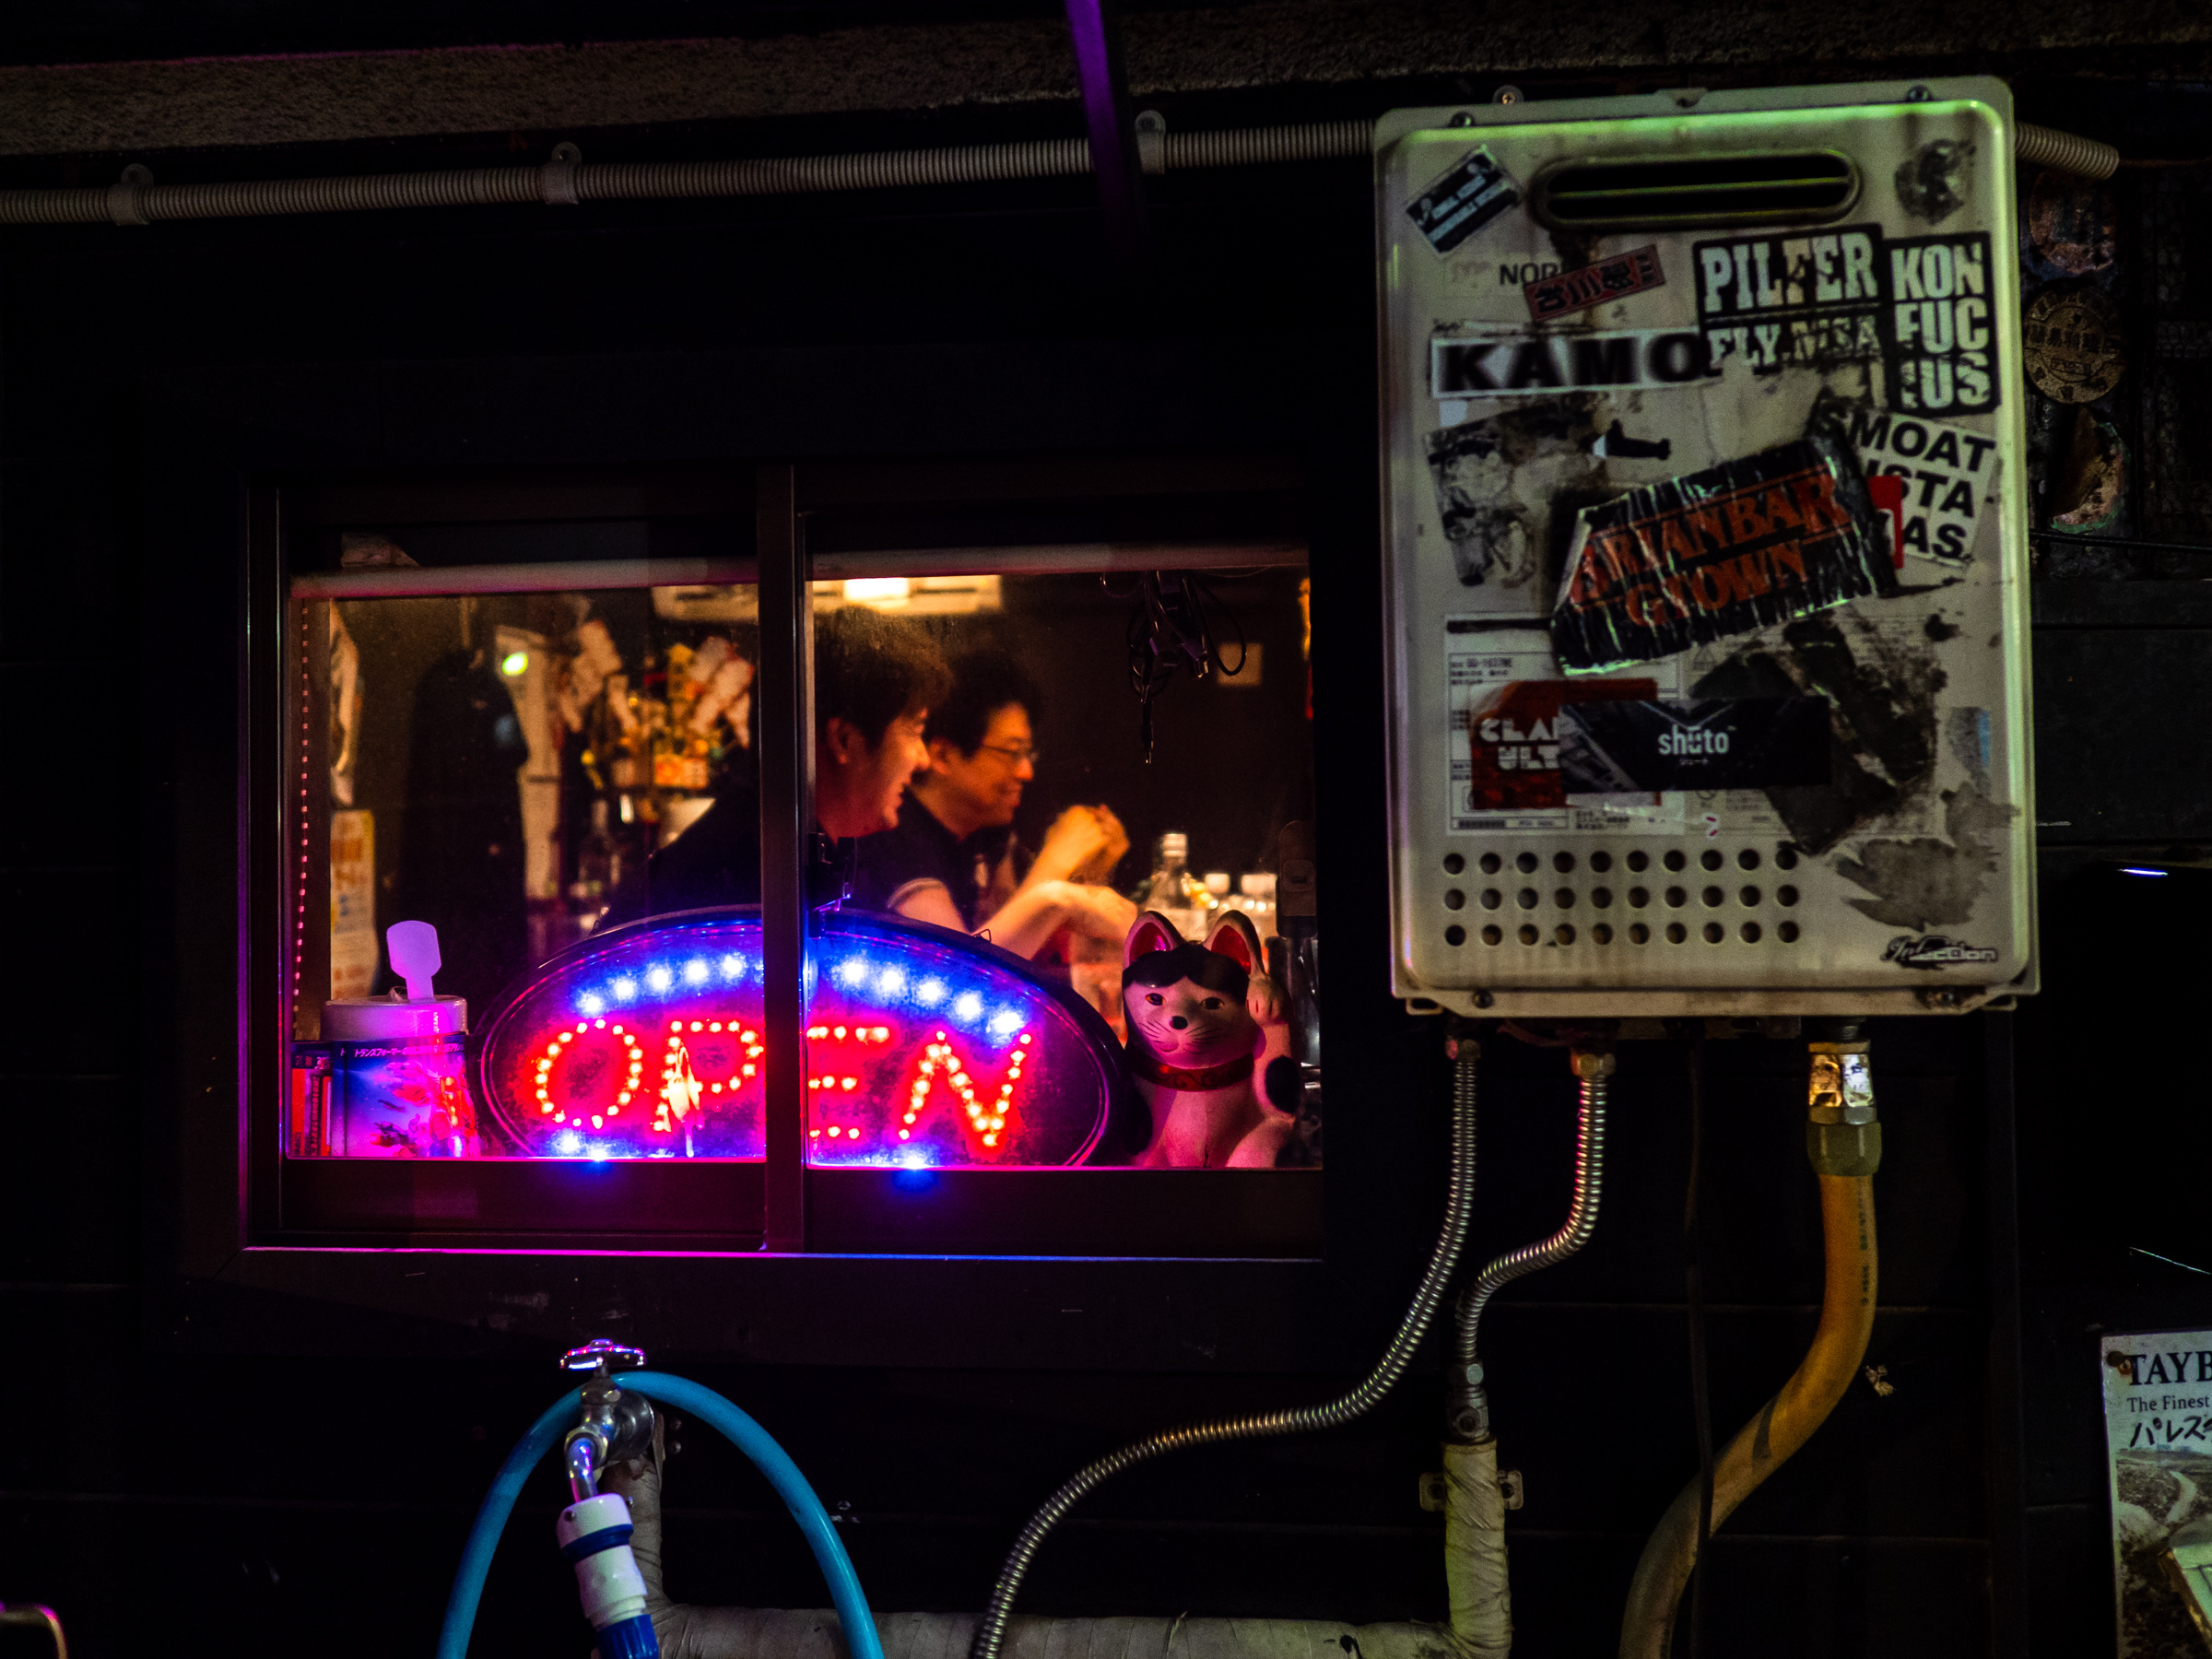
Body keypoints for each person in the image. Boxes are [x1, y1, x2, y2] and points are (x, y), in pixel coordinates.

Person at [620, 606, 950, 915]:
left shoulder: (782, 846)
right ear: (844, 740)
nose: (923, 760)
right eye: (914, 731)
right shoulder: (760, 872)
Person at [849, 647, 1135, 959]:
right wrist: (1055, 866)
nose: (1026, 772)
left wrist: (1083, 873)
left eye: (1027, 754)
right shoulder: (894, 832)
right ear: (943, 755)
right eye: (1012, 753)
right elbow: (959, 967)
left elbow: (1023, 943)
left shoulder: (987, 830)